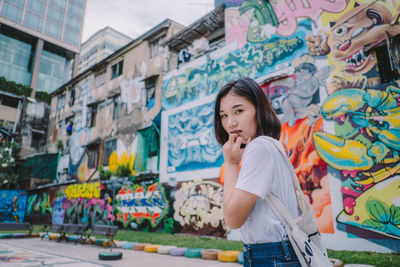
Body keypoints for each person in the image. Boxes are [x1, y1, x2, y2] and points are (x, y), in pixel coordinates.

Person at [214, 77, 301, 266]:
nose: (231, 123)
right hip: (278, 254)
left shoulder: (259, 148)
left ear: (258, 110)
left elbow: (233, 219)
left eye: (239, 111)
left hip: (272, 256)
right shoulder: (271, 146)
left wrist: (231, 163)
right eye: (224, 115)